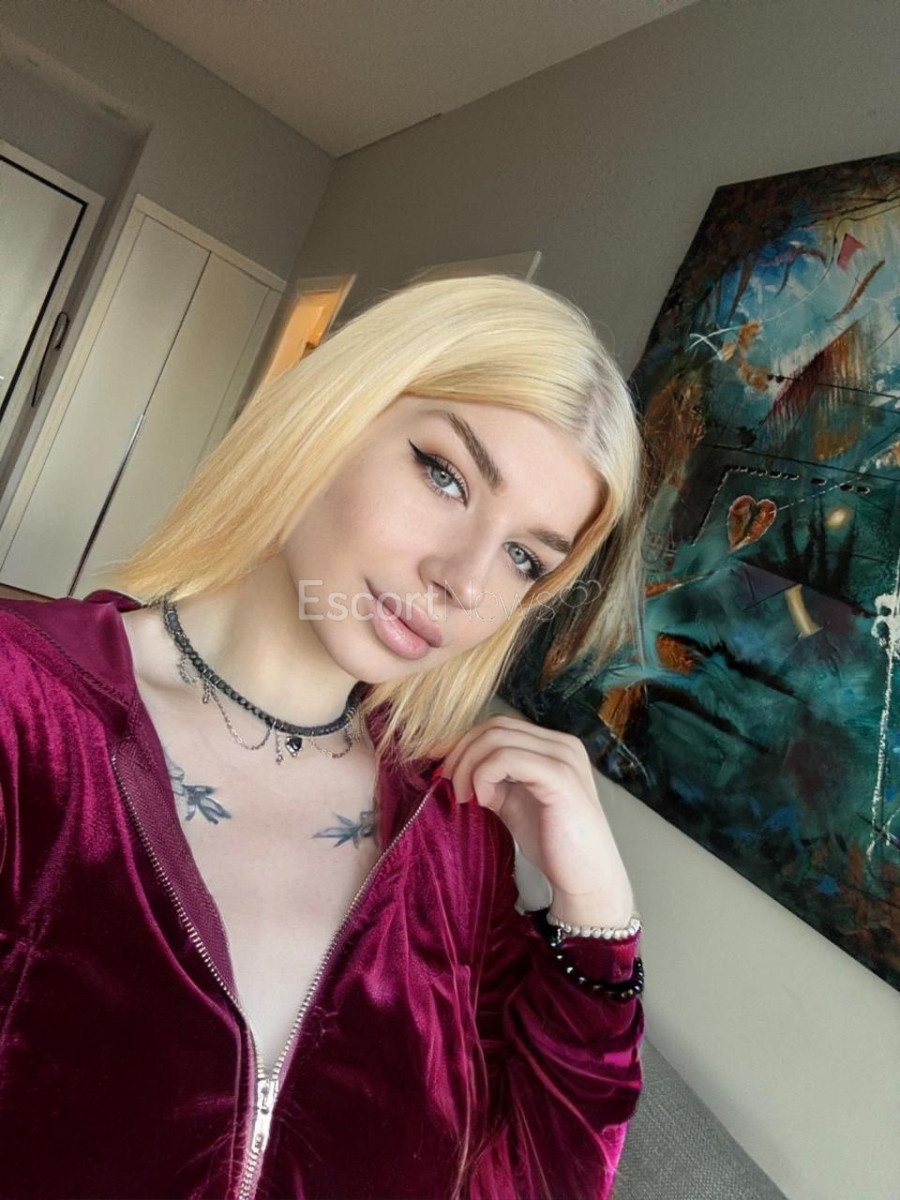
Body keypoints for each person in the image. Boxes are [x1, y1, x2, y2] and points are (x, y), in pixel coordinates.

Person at [0, 274, 648, 1200]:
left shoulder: (457, 839)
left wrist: (599, 918)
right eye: (445, 475)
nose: (465, 580)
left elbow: (535, 1180)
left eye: (522, 557)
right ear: (332, 417)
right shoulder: (26, 712)